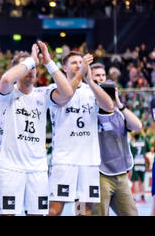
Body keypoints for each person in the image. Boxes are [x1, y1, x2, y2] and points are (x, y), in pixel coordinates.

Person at [0, 43, 73, 216]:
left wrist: (48, 62)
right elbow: (7, 79)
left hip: (37, 169)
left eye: (34, 67)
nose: (31, 70)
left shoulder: (43, 94)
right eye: (27, 67)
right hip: (10, 168)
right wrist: (31, 59)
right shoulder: (7, 93)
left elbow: (67, 93)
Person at [48, 52, 115, 216]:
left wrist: (91, 81)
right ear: (64, 68)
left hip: (88, 160)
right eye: (74, 63)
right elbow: (66, 95)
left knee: (83, 210)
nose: (79, 65)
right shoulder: (54, 89)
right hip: (64, 160)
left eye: (81, 62)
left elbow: (109, 106)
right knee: (54, 210)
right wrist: (81, 73)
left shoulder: (91, 90)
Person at [89, 63, 142, 216]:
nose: (101, 78)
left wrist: (119, 104)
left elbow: (137, 125)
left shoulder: (119, 112)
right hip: (99, 173)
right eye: (97, 75)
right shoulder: (89, 109)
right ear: (90, 81)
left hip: (121, 173)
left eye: (103, 75)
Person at [130, 133, 151, 203]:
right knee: (142, 181)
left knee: (135, 181)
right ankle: (143, 196)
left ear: (134, 137)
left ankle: (136, 197)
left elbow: (129, 153)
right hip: (142, 163)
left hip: (135, 163)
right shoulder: (144, 143)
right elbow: (148, 149)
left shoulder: (132, 143)